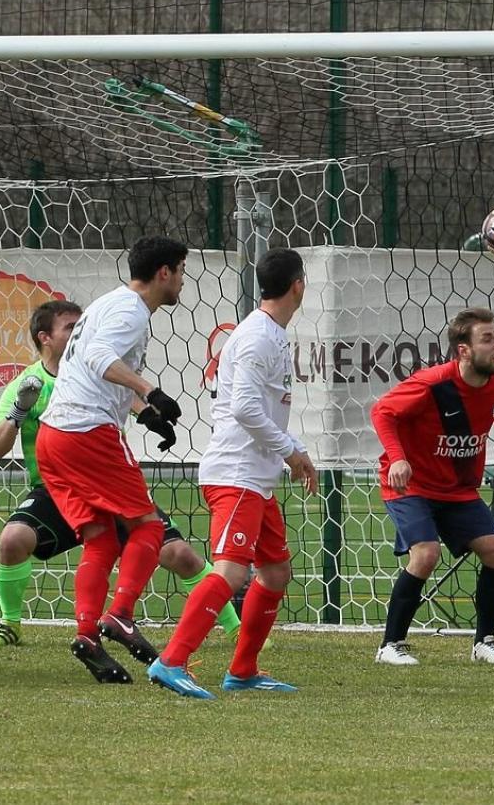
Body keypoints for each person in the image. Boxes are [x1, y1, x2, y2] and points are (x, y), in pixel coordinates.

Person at [0, 300, 241, 649]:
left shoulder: (91, 372)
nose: (78, 333)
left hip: (104, 484)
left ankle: (236, 629)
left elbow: (128, 401)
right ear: (45, 338)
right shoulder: (26, 384)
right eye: (70, 328)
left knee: (178, 554)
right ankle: (11, 624)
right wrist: (18, 410)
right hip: (55, 492)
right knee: (12, 540)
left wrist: (152, 417)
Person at [148, 248, 316, 700]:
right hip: (237, 474)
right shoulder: (258, 336)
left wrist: (295, 450)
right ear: (298, 285)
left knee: (276, 571)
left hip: (255, 479)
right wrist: (288, 452)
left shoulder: (271, 333)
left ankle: (242, 671)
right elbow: (242, 408)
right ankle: (172, 660)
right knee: (231, 571)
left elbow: (262, 410)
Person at [36, 235, 188, 683]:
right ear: (164, 272)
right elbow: (101, 358)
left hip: (55, 435)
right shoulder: (130, 311)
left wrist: (145, 414)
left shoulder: (107, 303)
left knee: (101, 538)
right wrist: (148, 389)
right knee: (149, 526)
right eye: (180, 271)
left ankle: (87, 635)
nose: (182, 281)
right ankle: (120, 615)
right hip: (88, 433)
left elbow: (82, 365)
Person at [371, 307, 494, 666]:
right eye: (488, 338)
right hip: (411, 485)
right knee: (426, 553)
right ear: (463, 350)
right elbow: (382, 412)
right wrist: (398, 457)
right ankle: (390, 645)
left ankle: (484, 643)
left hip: (457, 490)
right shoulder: (433, 384)